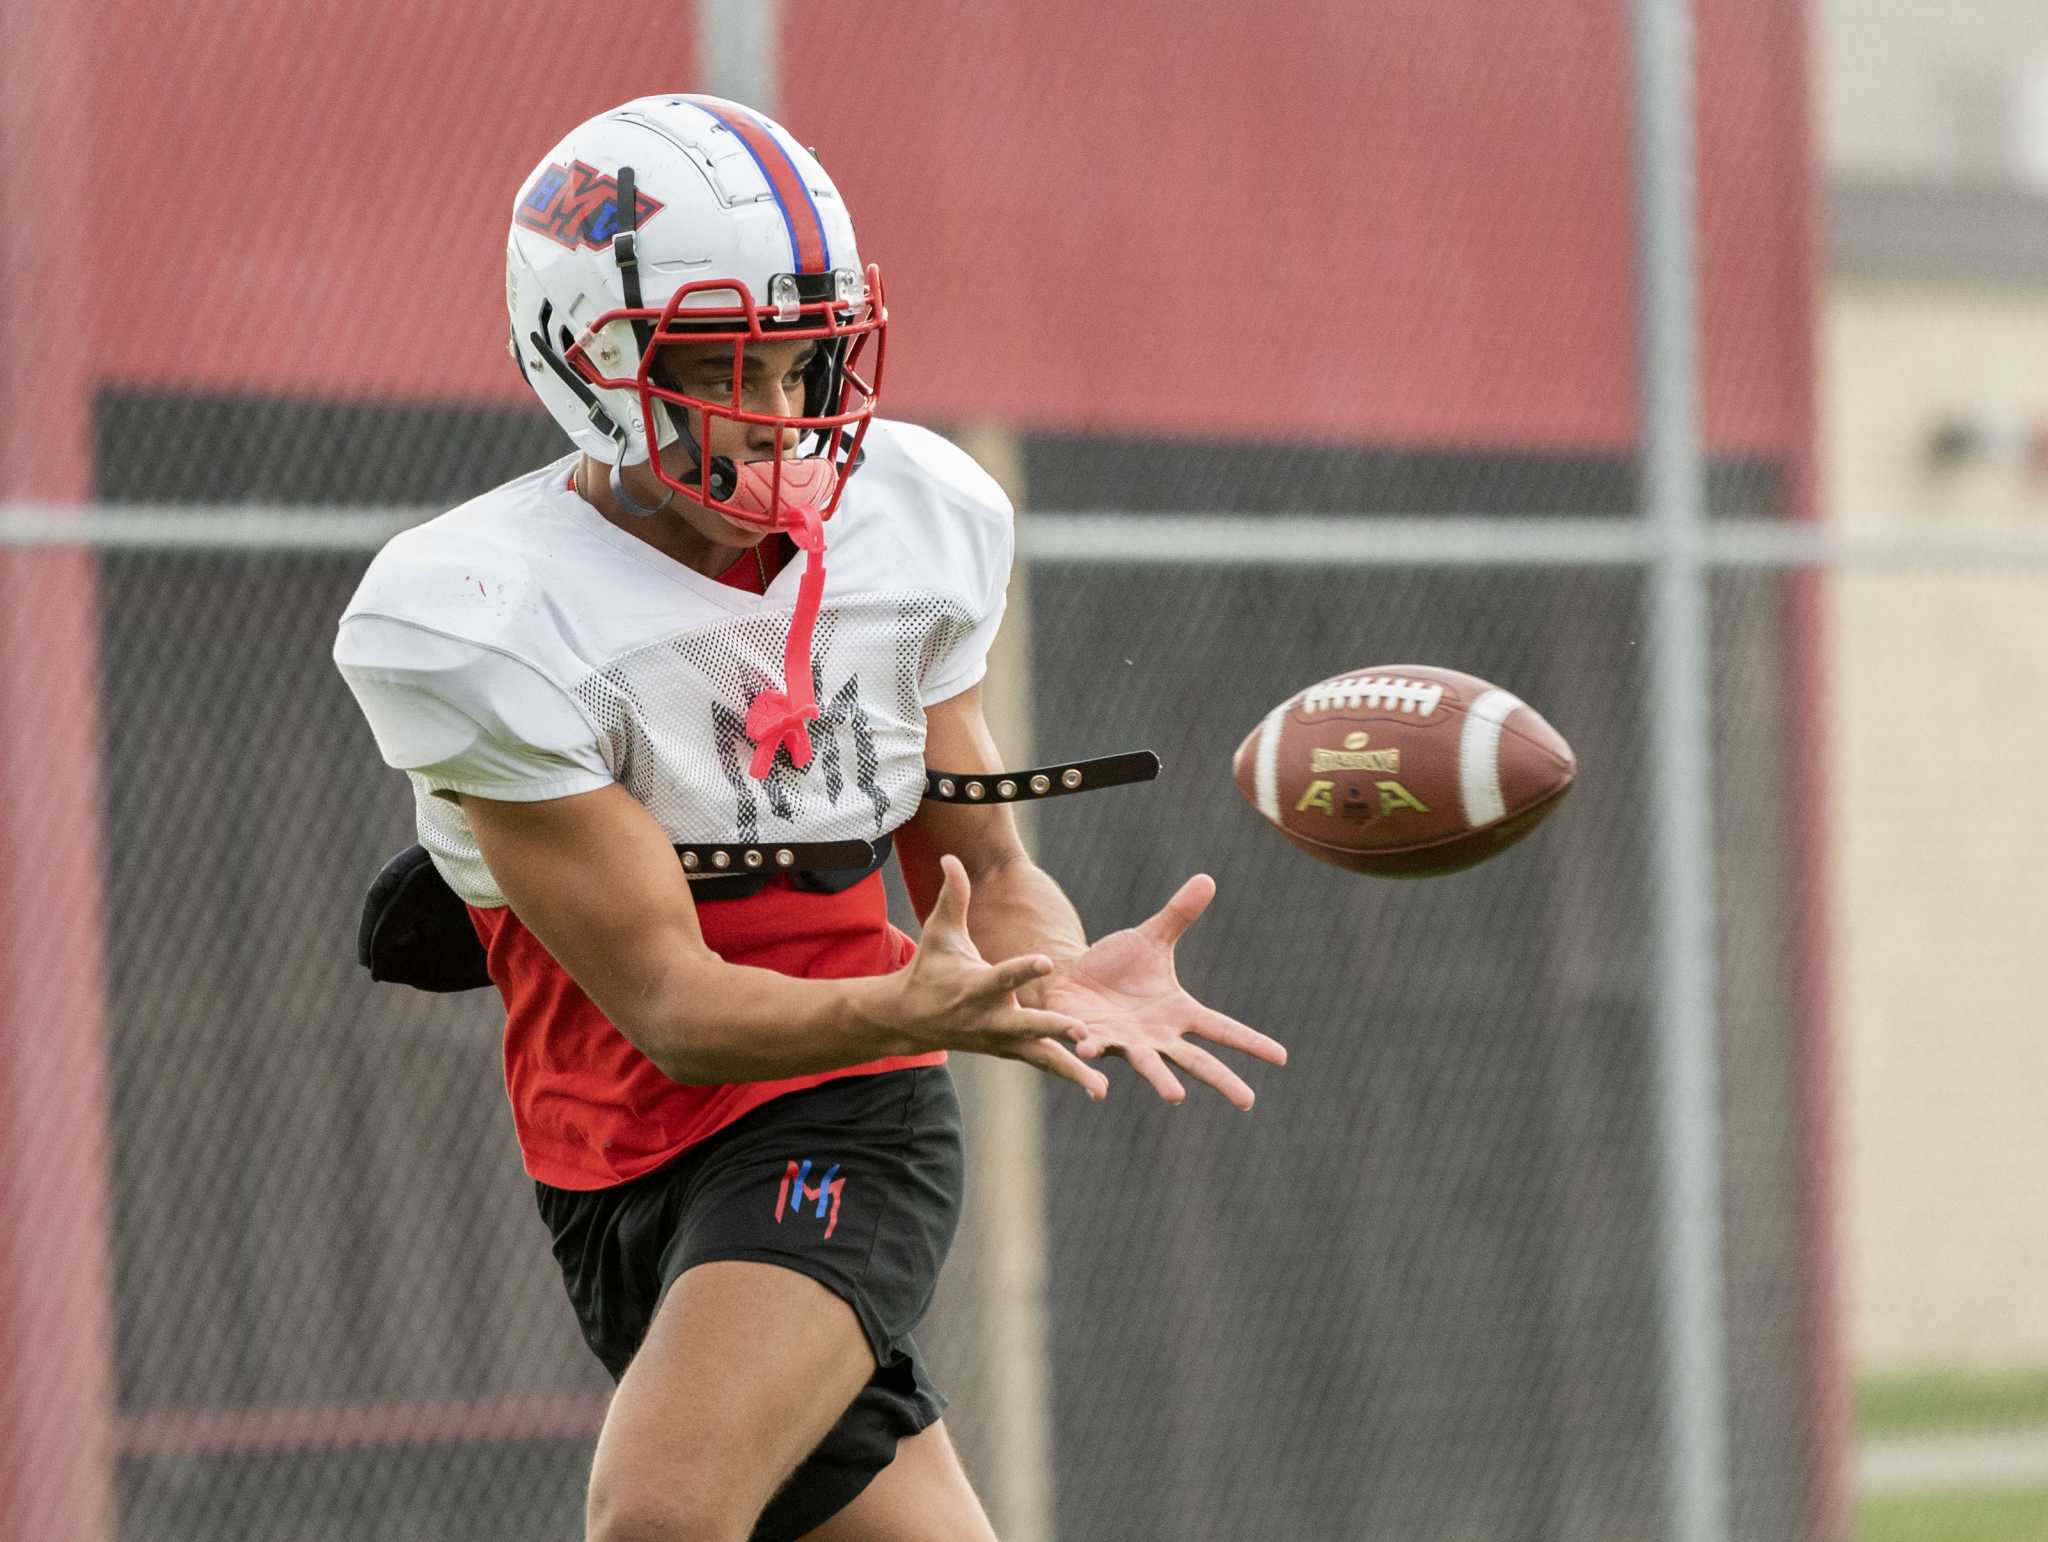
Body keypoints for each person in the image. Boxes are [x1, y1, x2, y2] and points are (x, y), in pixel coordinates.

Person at [332, 93, 1287, 1542]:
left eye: (808, 363)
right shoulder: (482, 615)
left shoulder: (916, 526)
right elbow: (673, 1003)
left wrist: (1040, 968)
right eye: (729, 370)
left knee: (660, 1510)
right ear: (587, 359)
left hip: (843, 1119)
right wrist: (930, 1000)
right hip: (614, 1161)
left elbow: (979, 854)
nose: (785, 420)